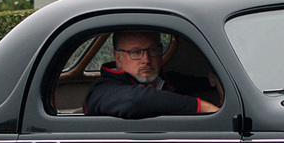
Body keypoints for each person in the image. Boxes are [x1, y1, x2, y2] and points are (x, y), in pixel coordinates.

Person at [84, 30, 221, 117]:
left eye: (153, 50)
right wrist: (201, 107)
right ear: (118, 58)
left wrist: (214, 80)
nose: (147, 60)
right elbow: (136, 101)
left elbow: (199, 84)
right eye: (136, 52)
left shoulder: (169, 80)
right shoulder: (102, 90)